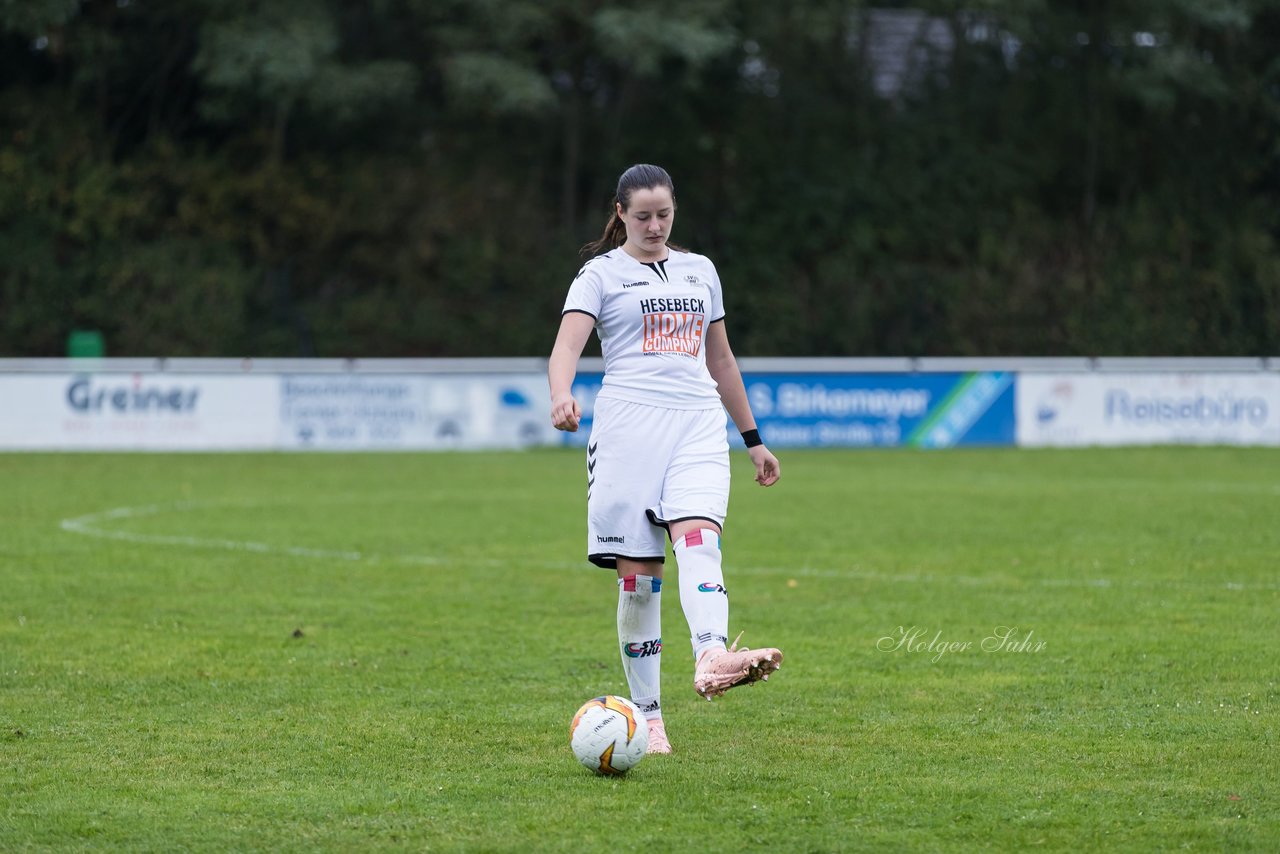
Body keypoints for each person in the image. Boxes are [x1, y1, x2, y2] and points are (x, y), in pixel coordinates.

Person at [548, 163, 784, 755]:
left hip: (699, 424)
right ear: (621, 213)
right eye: (644, 216)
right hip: (629, 428)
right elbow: (567, 346)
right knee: (639, 582)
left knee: (699, 536)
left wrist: (752, 438)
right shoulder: (598, 276)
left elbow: (721, 360)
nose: (655, 226)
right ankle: (649, 721)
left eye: (665, 215)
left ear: (674, 210)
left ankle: (712, 655)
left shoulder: (700, 270)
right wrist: (561, 393)